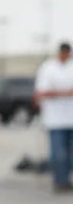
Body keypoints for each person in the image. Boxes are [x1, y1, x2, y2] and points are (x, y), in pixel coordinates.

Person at [34, 42, 73, 193]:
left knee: (70, 153)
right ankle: (60, 181)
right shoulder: (48, 68)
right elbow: (41, 93)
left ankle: (66, 179)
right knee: (58, 153)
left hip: (71, 118)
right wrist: (65, 93)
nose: (65, 55)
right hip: (55, 119)